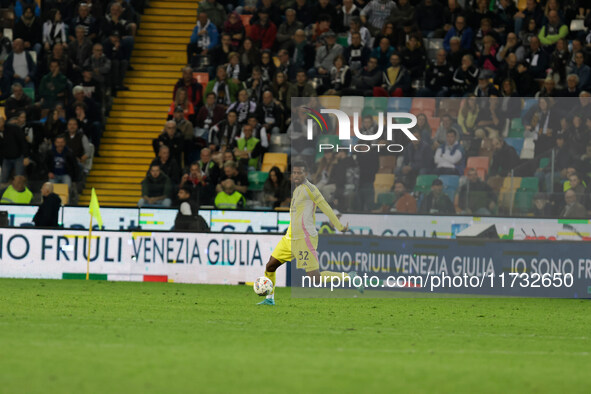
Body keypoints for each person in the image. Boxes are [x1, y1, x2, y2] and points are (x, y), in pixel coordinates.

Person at [258, 161, 352, 306]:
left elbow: (325, 207)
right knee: (270, 266)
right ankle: (269, 299)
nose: (296, 175)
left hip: (304, 238)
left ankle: (349, 277)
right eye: (294, 172)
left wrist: (339, 226)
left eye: (299, 172)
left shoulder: (311, 189)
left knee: (315, 278)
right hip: (289, 238)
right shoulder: (296, 190)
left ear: (306, 173)